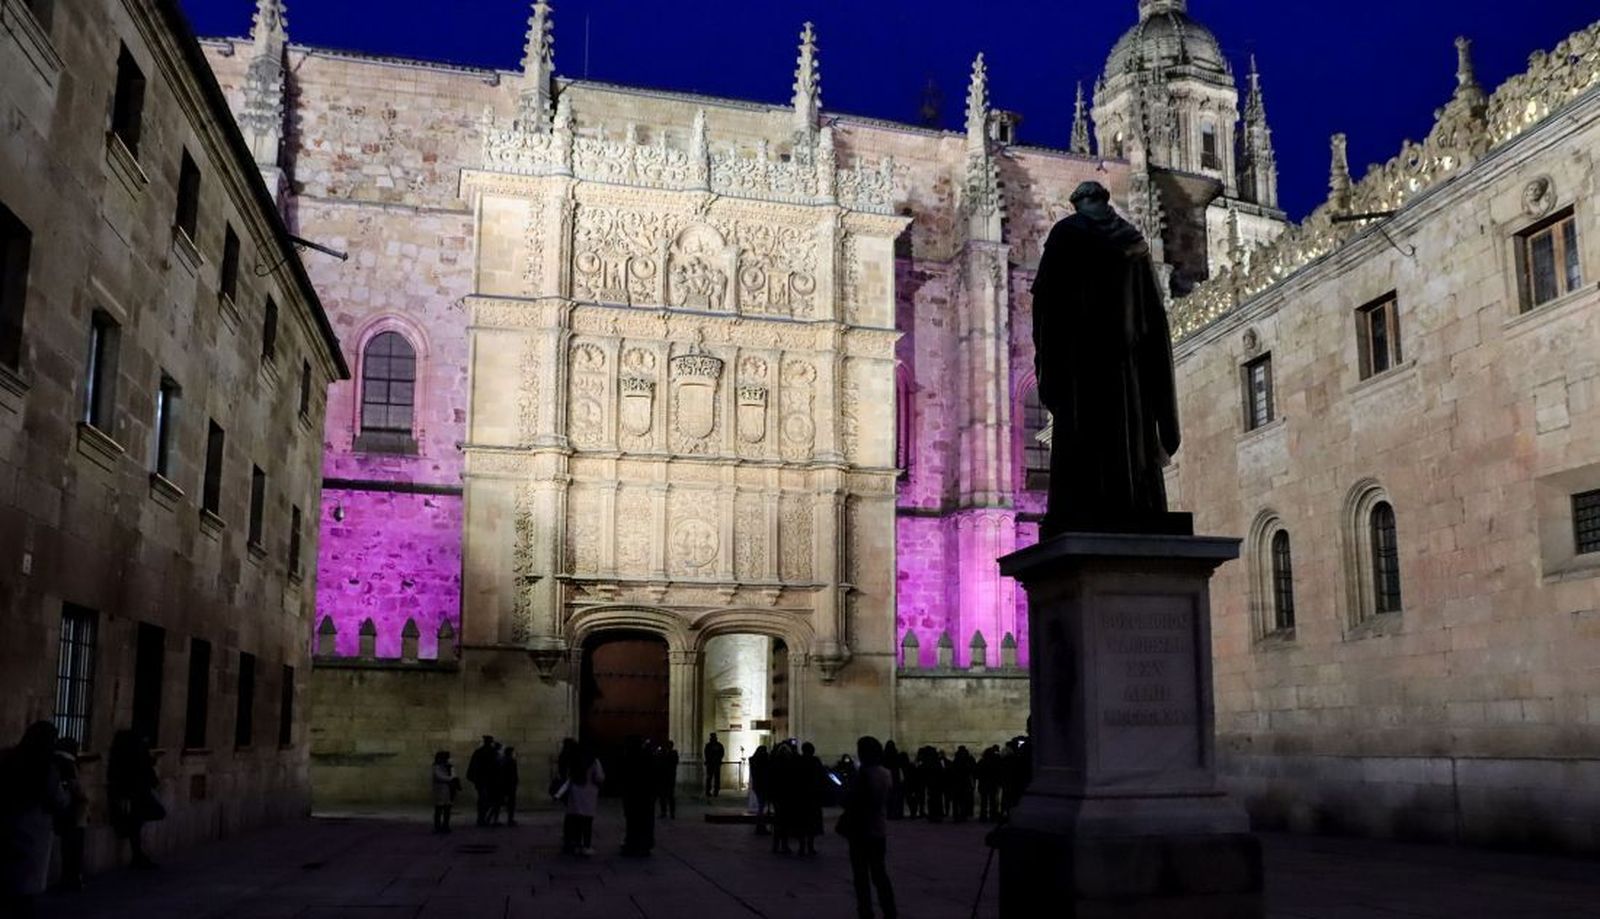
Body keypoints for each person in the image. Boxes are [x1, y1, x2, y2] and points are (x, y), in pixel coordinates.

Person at [1029, 180, 1182, 538]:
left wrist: (1048, 357)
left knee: (1085, 437)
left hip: (1082, 362)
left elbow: (1046, 304)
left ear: (1079, 203)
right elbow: (1154, 315)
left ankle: (1085, 504)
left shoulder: (1066, 234)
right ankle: (1135, 501)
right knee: (1128, 436)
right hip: (1129, 364)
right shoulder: (1133, 242)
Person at [1, 721, 67, 915]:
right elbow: (59, 800)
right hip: (34, 831)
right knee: (25, 893)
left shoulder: (7, 758)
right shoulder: (47, 769)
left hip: (8, 825)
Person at [838, 736, 896, 919]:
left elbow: (852, 801)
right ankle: (890, 910)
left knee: (861, 875)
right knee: (880, 873)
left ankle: (865, 911)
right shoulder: (886, 774)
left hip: (860, 830)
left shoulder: (863, 775)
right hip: (879, 829)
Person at [107, 730, 162, 869]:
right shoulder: (136, 755)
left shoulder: (119, 756)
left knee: (135, 825)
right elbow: (145, 773)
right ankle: (138, 856)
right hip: (136, 796)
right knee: (135, 825)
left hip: (133, 796)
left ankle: (138, 855)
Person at [52, 737, 88, 891]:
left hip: (67, 812)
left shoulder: (55, 761)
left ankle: (69, 878)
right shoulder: (68, 764)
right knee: (74, 848)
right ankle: (72, 878)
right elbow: (76, 789)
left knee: (68, 848)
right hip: (74, 812)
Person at [561, 744, 604, 856]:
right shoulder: (594, 761)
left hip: (575, 793)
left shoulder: (574, 761)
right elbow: (599, 777)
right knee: (587, 822)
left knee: (575, 820)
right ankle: (586, 846)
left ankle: (576, 844)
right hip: (589, 793)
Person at [619, 737, 656, 856]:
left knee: (633, 821)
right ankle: (643, 844)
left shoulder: (628, 759)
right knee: (643, 822)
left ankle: (633, 843)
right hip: (645, 797)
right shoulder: (647, 758)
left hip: (633, 797)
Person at [796, 742, 826, 856]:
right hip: (813, 796)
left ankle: (802, 846)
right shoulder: (815, 761)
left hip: (801, 796)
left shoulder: (799, 761)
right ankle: (810, 846)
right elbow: (822, 776)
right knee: (812, 823)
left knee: (801, 822)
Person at [768, 742, 795, 854]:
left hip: (778, 796)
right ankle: (784, 845)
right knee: (784, 822)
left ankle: (776, 845)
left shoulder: (774, 765)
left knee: (778, 821)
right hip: (785, 796)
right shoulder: (790, 765)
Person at [466, 735, 498, 826]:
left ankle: (482, 818)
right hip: (486, 780)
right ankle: (482, 818)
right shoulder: (490, 752)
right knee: (485, 800)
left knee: (485, 800)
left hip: (485, 780)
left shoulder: (480, 752)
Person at [431, 750, 459, 833]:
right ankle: (437, 826)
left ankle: (446, 825)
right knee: (439, 809)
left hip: (449, 790)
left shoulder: (449, 766)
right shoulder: (436, 767)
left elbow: (454, 775)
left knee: (447, 809)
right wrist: (450, 779)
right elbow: (439, 776)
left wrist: (452, 777)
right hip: (440, 790)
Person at [748, 745, 771, 835]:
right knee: (761, 808)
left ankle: (760, 826)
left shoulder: (754, 760)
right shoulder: (763, 761)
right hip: (762, 786)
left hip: (757, 786)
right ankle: (761, 826)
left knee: (761, 807)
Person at [950, 746, 976, 823]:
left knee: (957, 801)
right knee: (963, 801)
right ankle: (963, 815)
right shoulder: (967, 760)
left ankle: (957, 816)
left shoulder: (956, 760)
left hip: (957, 784)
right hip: (964, 783)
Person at [977, 745, 1002, 823]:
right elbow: (998, 773)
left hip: (983, 784)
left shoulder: (981, 762)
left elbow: (977, 773)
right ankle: (992, 816)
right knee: (992, 801)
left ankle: (983, 817)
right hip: (992, 784)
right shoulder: (995, 762)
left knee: (984, 802)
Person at [656, 740, 679, 819]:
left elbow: (674, 762)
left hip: (669, 777)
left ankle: (671, 813)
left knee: (669, 796)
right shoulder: (663, 753)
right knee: (663, 796)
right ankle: (664, 812)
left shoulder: (673, 753)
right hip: (663, 777)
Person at [498, 746, 520, 827]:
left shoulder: (502, 760)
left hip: (503, 784)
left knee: (499, 802)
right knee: (511, 803)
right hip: (510, 784)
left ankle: (493, 819)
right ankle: (510, 819)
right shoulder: (511, 761)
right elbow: (514, 774)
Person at [882, 741, 904, 820]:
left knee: (889, 798)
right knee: (895, 797)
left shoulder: (884, 756)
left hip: (888, 777)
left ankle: (890, 814)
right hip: (895, 778)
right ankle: (896, 813)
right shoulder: (896, 755)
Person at [703, 732, 724, 799]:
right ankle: (712, 791)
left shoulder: (710, 745)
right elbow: (721, 753)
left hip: (713, 764)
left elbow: (721, 753)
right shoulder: (715, 745)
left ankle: (712, 791)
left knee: (712, 778)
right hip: (713, 763)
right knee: (712, 778)